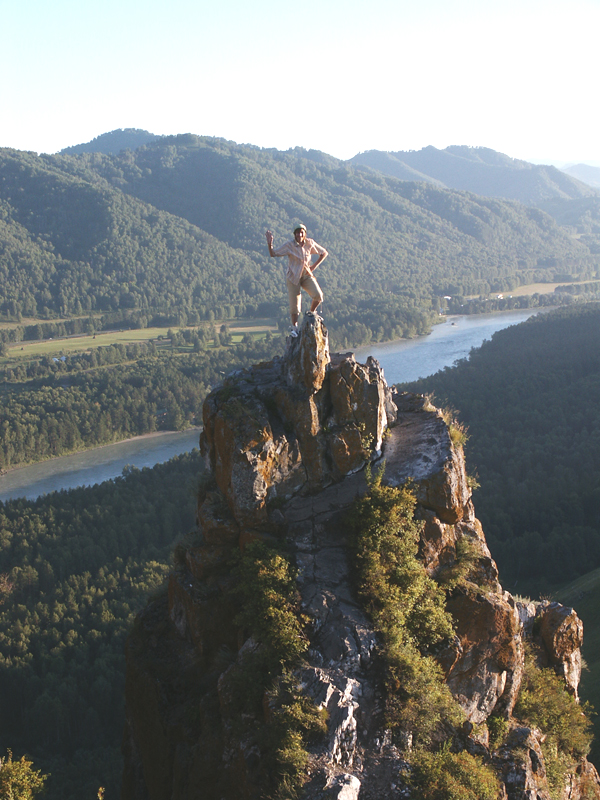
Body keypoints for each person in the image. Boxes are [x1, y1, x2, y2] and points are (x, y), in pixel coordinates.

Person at [265, 224, 328, 337]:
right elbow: (273, 254)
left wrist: (313, 267)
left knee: (318, 295)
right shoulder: (290, 245)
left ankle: (311, 314)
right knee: (295, 306)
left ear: (305, 233)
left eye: (301, 232)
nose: (299, 235)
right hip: (293, 277)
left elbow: (324, 253)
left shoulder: (310, 243)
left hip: (306, 275)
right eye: (297, 233)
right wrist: (270, 244)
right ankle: (294, 328)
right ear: (294, 234)